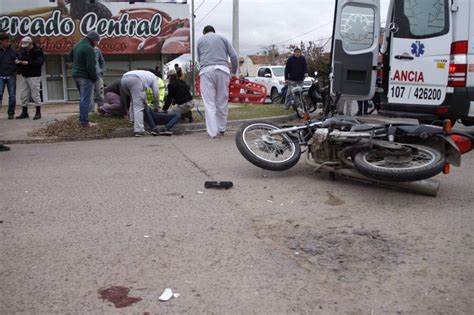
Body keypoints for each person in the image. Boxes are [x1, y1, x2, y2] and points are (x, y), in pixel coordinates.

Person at [197, 25, 238, 138]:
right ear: (214, 31)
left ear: (204, 32)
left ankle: (212, 132)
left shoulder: (200, 40)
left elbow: (199, 59)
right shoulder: (223, 38)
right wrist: (233, 71)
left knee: (209, 103)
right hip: (223, 70)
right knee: (222, 101)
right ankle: (221, 129)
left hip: (206, 71)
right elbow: (233, 56)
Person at [68, 31, 100, 127]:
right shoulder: (89, 49)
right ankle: (84, 122)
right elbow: (91, 66)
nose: (97, 44)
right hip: (85, 77)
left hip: (76, 75)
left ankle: (82, 119)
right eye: (97, 41)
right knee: (85, 99)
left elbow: (70, 56)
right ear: (93, 40)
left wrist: (78, 63)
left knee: (82, 99)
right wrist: (94, 78)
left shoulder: (77, 45)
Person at [121, 70, 160, 137]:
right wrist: (156, 106)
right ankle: (139, 130)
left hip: (124, 79)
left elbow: (143, 97)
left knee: (133, 100)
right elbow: (156, 93)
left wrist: (145, 103)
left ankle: (132, 120)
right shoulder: (154, 78)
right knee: (138, 106)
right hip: (136, 79)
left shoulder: (146, 75)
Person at [15, 36, 44, 120]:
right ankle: (24, 112)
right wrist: (18, 62)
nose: (25, 47)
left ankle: (38, 112)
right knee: (23, 95)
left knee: (35, 94)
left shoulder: (37, 51)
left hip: (34, 75)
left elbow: (39, 62)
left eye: (26, 46)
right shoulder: (24, 51)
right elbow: (20, 59)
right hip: (25, 75)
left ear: (31, 43)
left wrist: (28, 62)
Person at [0, 32, 18, 120]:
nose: (8, 43)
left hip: (11, 75)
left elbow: (18, 61)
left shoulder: (13, 51)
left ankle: (11, 113)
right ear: (1, 42)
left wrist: (16, 71)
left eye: (9, 41)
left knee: (12, 95)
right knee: (0, 94)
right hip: (0, 75)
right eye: (6, 41)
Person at [91, 46, 106, 112]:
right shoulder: (84, 49)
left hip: (98, 75)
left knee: (100, 93)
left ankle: (101, 110)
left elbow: (102, 61)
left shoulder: (97, 49)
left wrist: (102, 70)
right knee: (89, 95)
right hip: (88, 76)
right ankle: (91, 112)